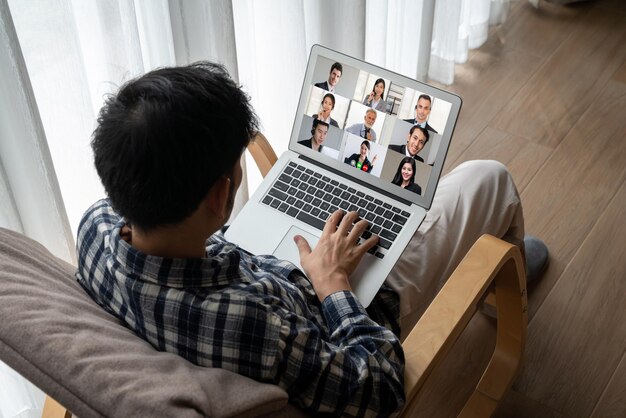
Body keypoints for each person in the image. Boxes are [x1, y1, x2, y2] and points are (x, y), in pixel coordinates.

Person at [76, 61, 549, 417]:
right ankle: (504, 280)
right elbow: (382, 389)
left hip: (250, 257)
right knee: (489, 178)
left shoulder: (95, 230)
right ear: (221, 197)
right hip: (344, 300)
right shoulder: (253, 327)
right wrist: (334, 284)